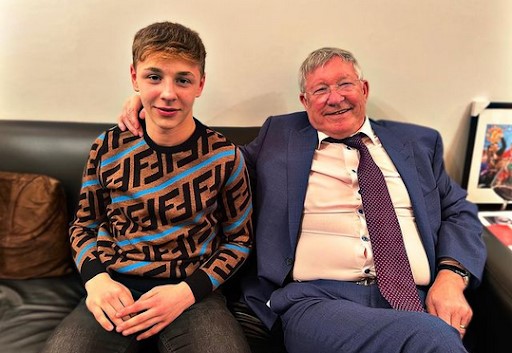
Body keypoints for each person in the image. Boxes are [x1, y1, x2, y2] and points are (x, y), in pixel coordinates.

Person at [118, 47, 486, 353]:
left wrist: (451, 278)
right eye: (320, 89)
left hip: (416, 295)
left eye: (345, 84)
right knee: (432, 338)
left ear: (365, 88)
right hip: (318, 301)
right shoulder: (279, 135)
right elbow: (209, 160)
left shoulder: (419, 143)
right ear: (304, 100)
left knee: (426, 332)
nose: (335, 97)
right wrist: (157, 104)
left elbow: (458, 211)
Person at [42, 21, 253, 353]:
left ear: (200, 84)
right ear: (134, 77)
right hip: (115, 286)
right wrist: (96, 280)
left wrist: (188, 291)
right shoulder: (107, 147)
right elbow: (84, 224)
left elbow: (239, 241)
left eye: (183, 79)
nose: (168, 93)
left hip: (193, 295)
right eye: (154, 77)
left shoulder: (225, 157)